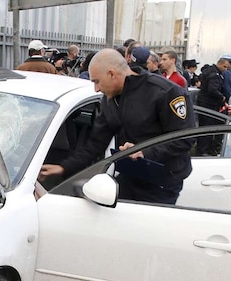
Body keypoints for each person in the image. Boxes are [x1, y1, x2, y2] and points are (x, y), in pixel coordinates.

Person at [39, 49, 195, 204]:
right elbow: (96, 144)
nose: (96, 89)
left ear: (112, 74)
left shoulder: (164, 92)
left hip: (162, 183)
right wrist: (63, 167)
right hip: (130, 176)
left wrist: (144, 151)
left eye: (96, 81)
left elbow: (185, 138)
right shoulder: (109, 100)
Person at [195, 56, 231, 155]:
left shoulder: (210, 71)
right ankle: (203, 151)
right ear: (219, 64)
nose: (225, 69)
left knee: (205, 129)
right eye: (224, 67)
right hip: (208, 105)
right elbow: (212, 89)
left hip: (205, 103)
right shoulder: (214, 74)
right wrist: (222, 97)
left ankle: (204, 150)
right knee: (207, 129)